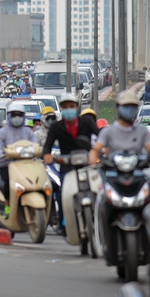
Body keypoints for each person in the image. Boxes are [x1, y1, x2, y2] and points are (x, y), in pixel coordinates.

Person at [42, 93, 99, 235]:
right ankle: (62, 221)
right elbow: (47, 145)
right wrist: (47, 155)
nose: (69, 109)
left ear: (77, 107)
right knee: (63, 193)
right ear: (61, 109)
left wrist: (99, 150)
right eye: (65, 107)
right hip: (67, 163)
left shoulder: (87, 122)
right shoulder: (56, 127)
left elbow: (100, 136)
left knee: (99, 189)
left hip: (88, 162)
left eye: (71, 106)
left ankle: (100, 218)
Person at [89, 90, 150, 167]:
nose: (129, 109)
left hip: (137, 171)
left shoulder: (142, 131)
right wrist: (93, 158)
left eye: (133, 106)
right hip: (113, 172)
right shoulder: (108, 131)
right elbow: (96, 149)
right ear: (118, 107)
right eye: (126, 106)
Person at [0, 103, 37, 214]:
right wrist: (2, 152)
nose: (17, 118)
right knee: (8, 183)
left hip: (26, 164)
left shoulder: (28, 132)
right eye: (14, 115)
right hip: (7, 165)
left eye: (19, 115)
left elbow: (35, 144)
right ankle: (7, 207)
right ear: (9, 116)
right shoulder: (2, 132)